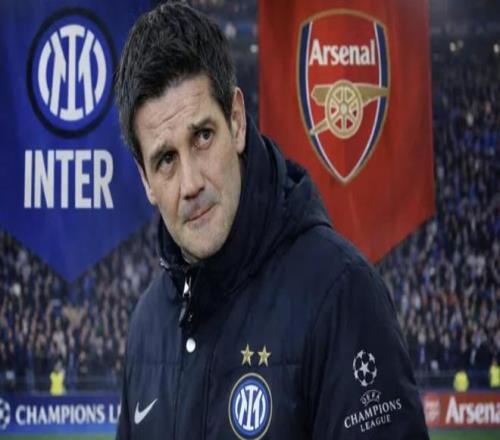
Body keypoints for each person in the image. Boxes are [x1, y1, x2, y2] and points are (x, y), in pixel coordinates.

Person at [114, 2, 429, 439]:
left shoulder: (341, 294)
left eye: (202, 136)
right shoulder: (147, 327)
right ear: (145, 180)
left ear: (236, 122)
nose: (190, 183)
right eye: (165, 159)